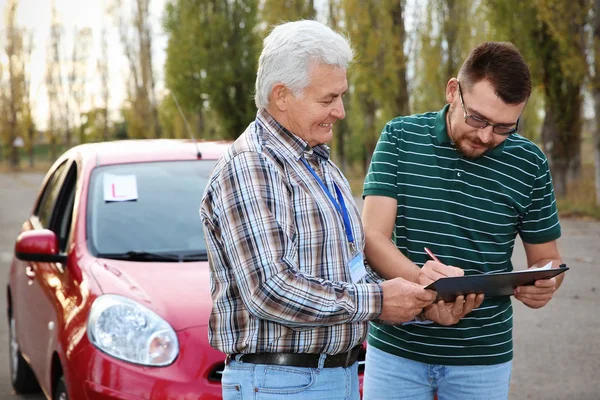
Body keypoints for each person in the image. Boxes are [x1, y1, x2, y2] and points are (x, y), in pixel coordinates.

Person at [200, 20, 436, 400]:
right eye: (328, 100)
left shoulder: (319, 163)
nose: (340, 112)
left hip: (330, 377)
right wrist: (379, 301)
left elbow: (345, 270)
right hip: (282, 384)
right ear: (281, 95)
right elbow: (269, 290)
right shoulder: (252, 165)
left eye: (341, 97)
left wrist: (420, 299)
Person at [360, 41, 565, 400]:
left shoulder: (529, 164)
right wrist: (420, 279)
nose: (486, 137)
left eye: (504, 127)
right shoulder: (399, 137)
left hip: (483, 358)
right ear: (453, 91)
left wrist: (546, 281)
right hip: (396, 352)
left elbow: (546, 258)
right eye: (478, 119)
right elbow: (373, 237)